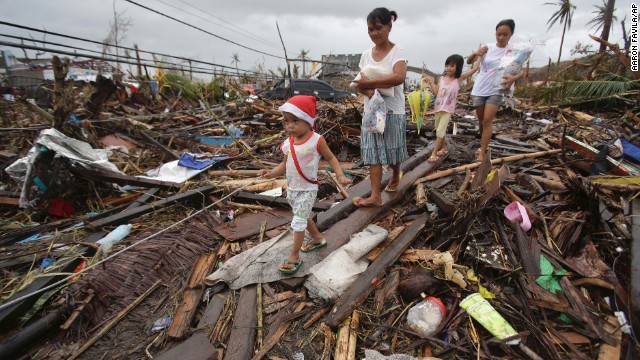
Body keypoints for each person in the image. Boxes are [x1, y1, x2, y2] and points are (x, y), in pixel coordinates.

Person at [259, 95, 351, 275]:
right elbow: (284, 164)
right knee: (303, 215)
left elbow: (331, 157)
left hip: (308, 189)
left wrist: (340, 175)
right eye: (286, 121)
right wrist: (270, 174)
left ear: (308, 121)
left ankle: (294, 256)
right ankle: (317, 238)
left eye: (295, 121)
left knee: (298, 221)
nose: (290, 126)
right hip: (292, 188)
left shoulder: (316, 140)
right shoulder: (288, 143)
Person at [352, 7, 408, 207]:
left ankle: (395, 172)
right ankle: (376, 196)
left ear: (389, 26)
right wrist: (367, 91)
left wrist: (370, 84)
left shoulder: (397, 51)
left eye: (378, 28)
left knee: (392, 152)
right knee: (373, 153)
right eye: (370, 29)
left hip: (392, 110)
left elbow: (399, 77)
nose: (374, 33)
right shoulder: (366, 55)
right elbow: (361, 83)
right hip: (373, 111)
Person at [467, 19, 524, 162]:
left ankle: (482, 154)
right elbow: (469, 61)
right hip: (480, 88)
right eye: (498, 34)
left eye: (505, 34)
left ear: (511, 34)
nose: (501, 37)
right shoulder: (488, 47)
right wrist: (476, 53)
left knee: (487, 120)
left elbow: (521, 71)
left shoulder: (513, 52)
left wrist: (512, 79)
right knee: (481, 120)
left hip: (496, 89)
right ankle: (483, 144)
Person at [422, 54, 481, 163]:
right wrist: (430, 83)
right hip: (438, 108)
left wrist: (479, 56)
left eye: (452, 66)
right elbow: (436, 93)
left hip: (447, 110)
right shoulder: (441, 79)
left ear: (458, 67)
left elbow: (474, 69)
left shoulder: (458, 79)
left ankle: (434, 153)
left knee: (440, 131)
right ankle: (444, 148)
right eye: (447, 65)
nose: (448, 68)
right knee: (440, 131)